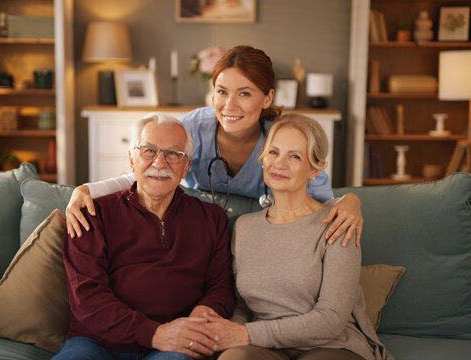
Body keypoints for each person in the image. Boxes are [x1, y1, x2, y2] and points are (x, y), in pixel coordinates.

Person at [66, 45, 363, 247]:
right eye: (222, 92)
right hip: (197, 236)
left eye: (245, 94)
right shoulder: (192, 128)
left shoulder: (282, 140)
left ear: (268, 98)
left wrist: (350, 200)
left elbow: (321, 199)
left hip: (256, 239)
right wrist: (87, 190)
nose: (229, 106)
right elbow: (149, 172)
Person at [200, 113, 393, 360]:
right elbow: (241, 305)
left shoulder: (338, 222)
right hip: (263, 346)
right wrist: (229, 334)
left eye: (295, 156)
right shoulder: (244, 227)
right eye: (273, 152)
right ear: (262, 157)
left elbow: (331, 319)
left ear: (315, 169)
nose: (279, 163)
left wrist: (246, 334)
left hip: (331, 345)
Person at [53, 114, 234, 360]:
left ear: (186, 166)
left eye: (173, 154)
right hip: (96, 341)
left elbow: (221, 288)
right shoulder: (91, 215)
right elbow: (87, 299)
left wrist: (199, 319)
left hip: (173, 345)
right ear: (131, 159)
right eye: (149, 150)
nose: (160, 162)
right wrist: (153, 333)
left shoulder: (212, 219)